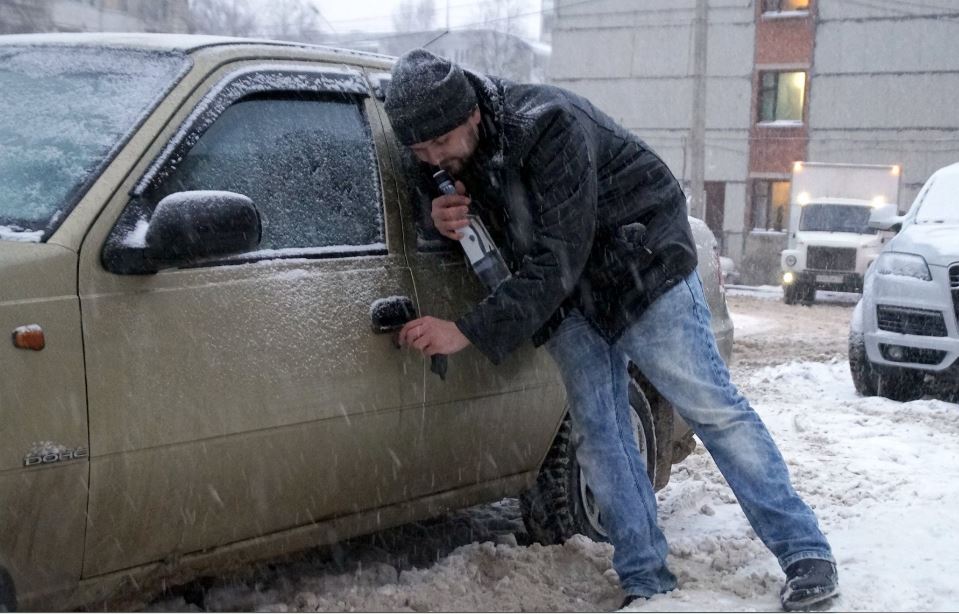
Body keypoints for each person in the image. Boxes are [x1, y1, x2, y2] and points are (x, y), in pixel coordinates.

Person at [385, 48, 838, 612]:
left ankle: (805, 554)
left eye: (441, 146)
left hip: (640, 269)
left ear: (473, 115)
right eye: (420, 149)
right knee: (600, 433)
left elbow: (559, 257)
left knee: (713, 410)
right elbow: (424, 171)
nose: (434, 158)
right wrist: (434, 202)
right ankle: (645, 577)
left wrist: (468, 331)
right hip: (565, 292)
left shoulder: (548, 125)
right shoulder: (440, 145)